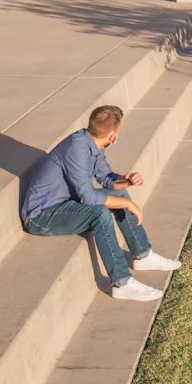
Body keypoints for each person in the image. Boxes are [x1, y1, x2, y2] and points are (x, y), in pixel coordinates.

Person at [20, 105, 180, 302]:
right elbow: (88, 197)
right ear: (113, 135)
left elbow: (106, 178)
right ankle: (121, 282)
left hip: (67, 202)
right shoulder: (76, 149)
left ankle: (143, 255)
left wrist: (127, 180)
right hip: (42, 215)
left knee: (119, 193)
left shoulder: (93, 144)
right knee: (100, 213)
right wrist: (128, 204)